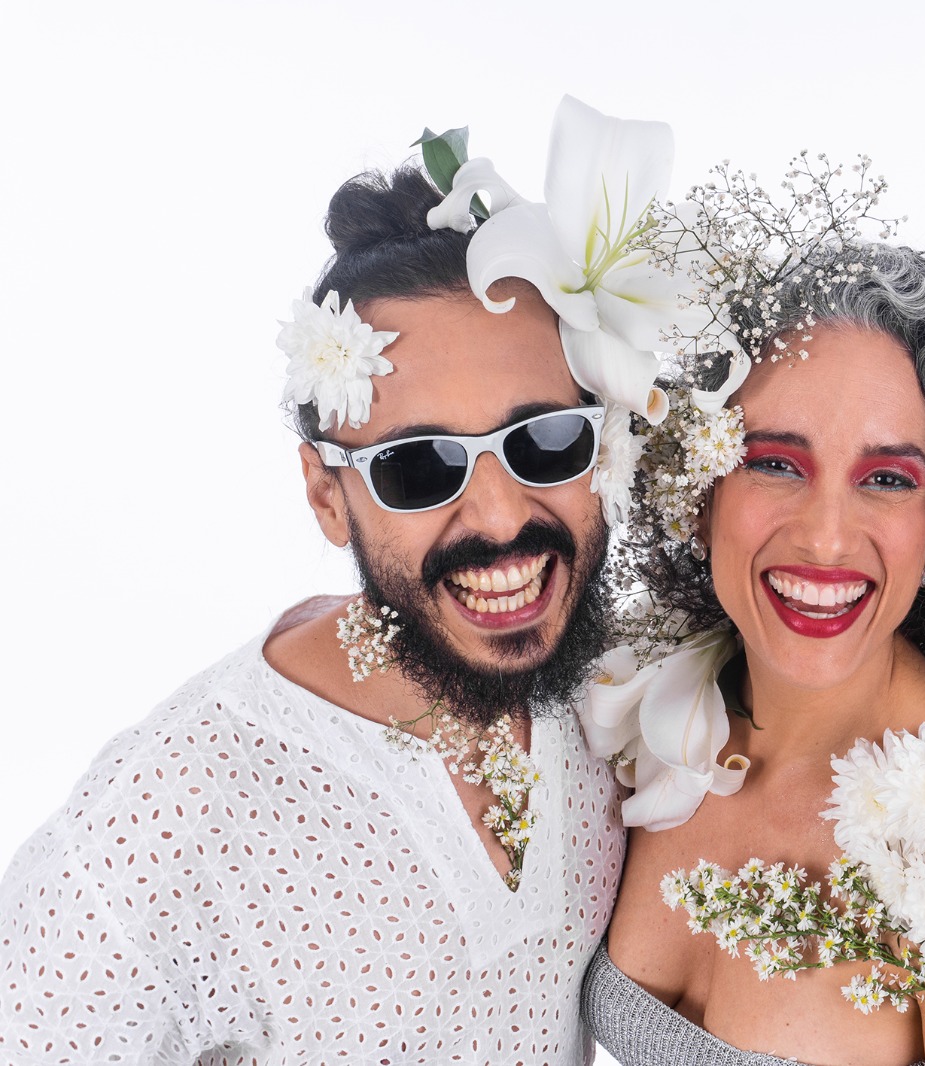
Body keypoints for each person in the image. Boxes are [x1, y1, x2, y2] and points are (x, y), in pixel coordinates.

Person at [0, 99, 673, 1060]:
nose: (498, 516)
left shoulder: (622, 697)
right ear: (326, 495)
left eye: (547, 440)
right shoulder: (170, 806)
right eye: (419, 467)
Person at [578, 242, 925, 1065]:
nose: (825, 538)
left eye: (886, 479)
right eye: (776, 463)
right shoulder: (633, 696)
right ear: (700, 494)